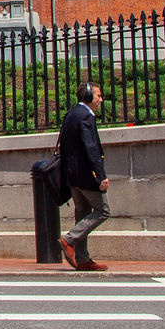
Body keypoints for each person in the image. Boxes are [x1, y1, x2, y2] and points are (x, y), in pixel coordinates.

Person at [57, 83, 109, 272]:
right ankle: (69, 239)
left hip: (71, 176)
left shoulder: (71, 115)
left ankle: (82, 258)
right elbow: (91, 148)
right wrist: (100, 175)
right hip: (86, 176)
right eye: (98, 95)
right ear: (87, 97)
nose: (100, 100)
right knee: (103, 210)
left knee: (83, 212)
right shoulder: (86, 116)